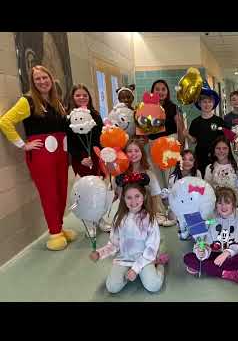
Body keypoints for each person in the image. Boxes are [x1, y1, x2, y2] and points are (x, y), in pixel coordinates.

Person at [0, 65, 76, 251]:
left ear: (51, 79)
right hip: (43, 156)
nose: (42, 81)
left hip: (60, 155)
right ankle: (54, 232)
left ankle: (59, 227)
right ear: (33, 83)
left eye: (45, 77)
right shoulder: (28, 101)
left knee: (61, 192)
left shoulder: (55, 102)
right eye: (38, 79)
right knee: (49, 193)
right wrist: (23, 145)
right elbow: (5, 121)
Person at [90, 175, 164, 294]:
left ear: (143, 196)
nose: (133, 201)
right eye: (129, 197)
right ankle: (131, 273)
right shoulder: (119, 218)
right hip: (124, 259)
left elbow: (151, 248)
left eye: (137, 196)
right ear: (123, 198)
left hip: (144, 259)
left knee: (154, 285)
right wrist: (100, 253)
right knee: (112, 287)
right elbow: (114, 244)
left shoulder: (150, 219)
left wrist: (136, 269)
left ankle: (159, 265)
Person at [183, 187, 238, 283]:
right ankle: (227, 273)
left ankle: (204, 267)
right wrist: (202, 252)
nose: (223, 207)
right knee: (188, 258)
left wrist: (227, 252)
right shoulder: (210, 218)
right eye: (220, 203)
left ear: (234, 204)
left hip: (232, 255)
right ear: (215, 204)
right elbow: (203, 240)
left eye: (227, 203)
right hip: (213, 253)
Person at [118, 138, 176, 227]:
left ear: (142, 153)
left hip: (146, 212)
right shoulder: (121, 174)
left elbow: (155, 197)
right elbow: (119, 196)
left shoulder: (149, 174)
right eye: (129, 151)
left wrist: (156, 214)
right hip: (128, 212)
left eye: (136, 151)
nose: (133, 154)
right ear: (125, 154)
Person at [147, 79, 186, 188]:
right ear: (152, 91)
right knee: (157, 181)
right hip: (153, 146)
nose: (160, 92)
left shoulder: (174, 108)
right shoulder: (146, 108)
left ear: (167, 92)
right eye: (157, 89)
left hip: (169, 146)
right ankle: (160, 203)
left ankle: (171, 203)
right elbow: (144, 130)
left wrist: (181, 149)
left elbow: (181, 130)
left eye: (163, 89)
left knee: (170, 179)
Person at [204, 136, 238, 213]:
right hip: (218, 209)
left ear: (230, 150)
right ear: (214, 150)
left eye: (224, 148)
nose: (221, 151)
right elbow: (207, 191)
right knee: (212, 223)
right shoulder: (209, 168)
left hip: (236, 208)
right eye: (218, 148)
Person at [187, 82, 225, 176]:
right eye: (204, 102)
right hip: (200, 157)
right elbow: (194, 141)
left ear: (213, 103)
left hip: (216, 157)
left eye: (209, 102)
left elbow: (223, 140)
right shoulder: (195, 122)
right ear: (199, 104)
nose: (207, 104)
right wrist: (186, 134)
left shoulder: (219, 121)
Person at [66, 84, 104, 177]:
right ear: (72, 98)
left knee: (97, 184)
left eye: (85, 95)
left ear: (89, 97)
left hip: (96, 156)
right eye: (78, 95)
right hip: (79, 158)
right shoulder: (68, 117)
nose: (82, 97)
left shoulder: (96, 115)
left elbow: (101, 137)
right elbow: (69, 142)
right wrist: (81, 159)